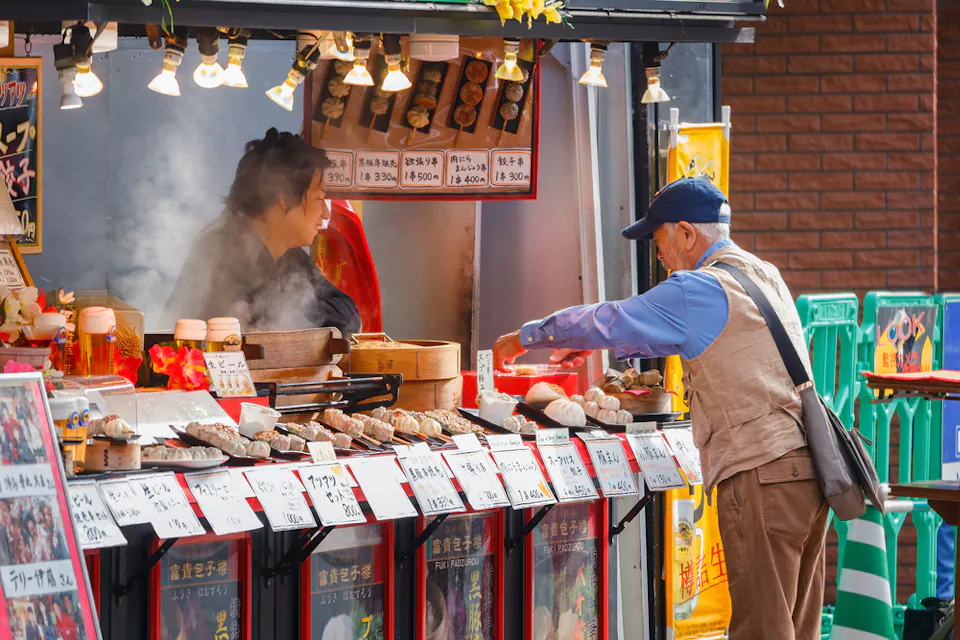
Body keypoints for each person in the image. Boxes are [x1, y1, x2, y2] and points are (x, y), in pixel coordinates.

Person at [493, 177, 829, 639]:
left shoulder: (700, 287)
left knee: (762, 629)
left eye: (659, 240)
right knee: (795, 627)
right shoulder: (759, 272)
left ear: (687, 233)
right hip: (806, 470)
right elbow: (681, 333)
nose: (659, 256)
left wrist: (532, 334)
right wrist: (599, 345)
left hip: (763, 472)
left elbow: (612, 318)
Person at [163, 128, 361, 334]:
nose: (326, 214)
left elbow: (349, 316)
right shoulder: (223, 251)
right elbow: (245, 330)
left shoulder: (290, 256)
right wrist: (289, 304)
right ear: (284, 197)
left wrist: (295, 303)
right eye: (319, 199)